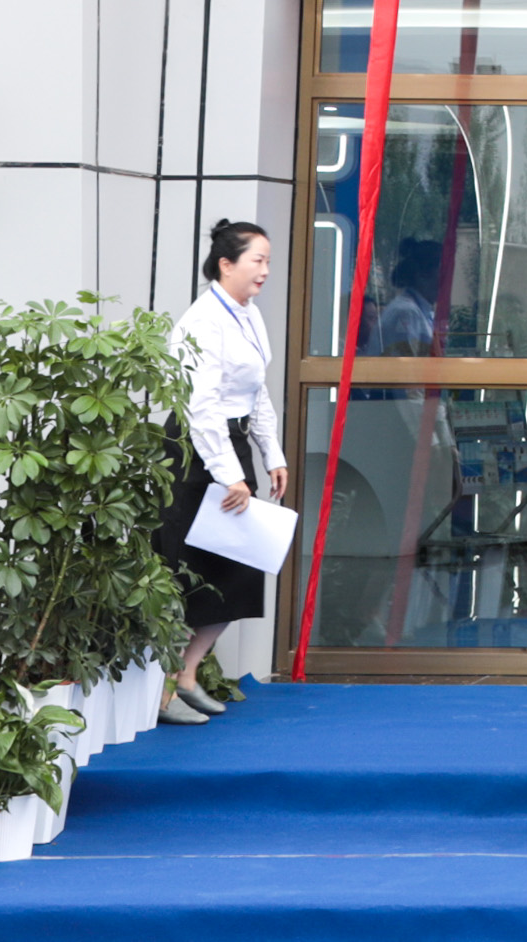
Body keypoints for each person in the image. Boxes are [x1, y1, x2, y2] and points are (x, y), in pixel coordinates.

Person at [154, 218, 289, 726]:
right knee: (187, 568)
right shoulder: (202, 320)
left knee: (239, 568)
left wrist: (272, 454)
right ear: (226, 264)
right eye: (258, 260)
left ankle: (187, 674)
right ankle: (163, 692)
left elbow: (257, 391)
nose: (265, 270)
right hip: (196, 451)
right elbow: (201, 407)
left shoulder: (248, 314)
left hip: (231, 447)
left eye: (268, 261)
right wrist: (229, 474)